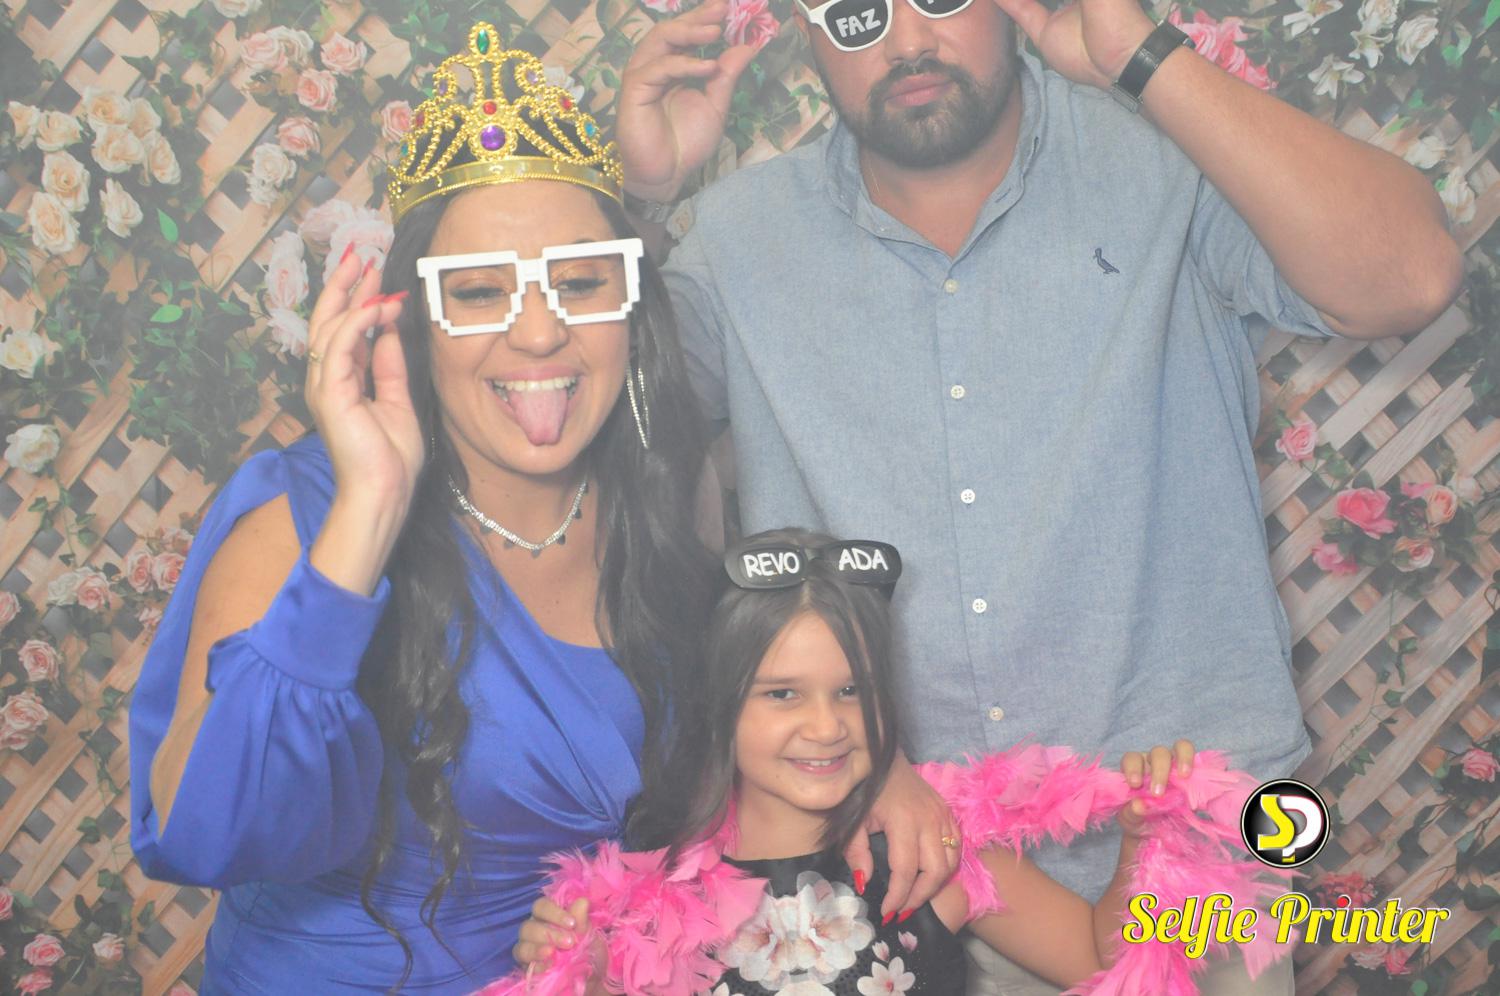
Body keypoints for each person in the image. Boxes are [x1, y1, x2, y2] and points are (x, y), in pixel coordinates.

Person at [613, 0, 1464, 990]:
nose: (905, 41)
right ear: (808, 38)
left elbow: (1412, 276)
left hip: (1189, 850)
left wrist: (1141, 57)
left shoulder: (1164, 162)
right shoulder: (739, 239)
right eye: (856, 14)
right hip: (896, 860)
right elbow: (601, 436)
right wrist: (638, 203)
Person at [127, 23, 719, 991]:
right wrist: (369, 514)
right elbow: (206, 834)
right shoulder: (301, 517)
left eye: (578, 283)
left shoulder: (667, 498)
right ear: (412, 321)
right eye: (478, 293)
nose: (540, 332)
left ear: (627, 302)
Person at [490, 530, 1287, 995]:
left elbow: (1100, 957)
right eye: (781, 694)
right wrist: (590, 979)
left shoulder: (931, 859)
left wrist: (1145, 849)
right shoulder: (653, 905)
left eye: (853, 690)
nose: (827, 725)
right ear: (718, 702)